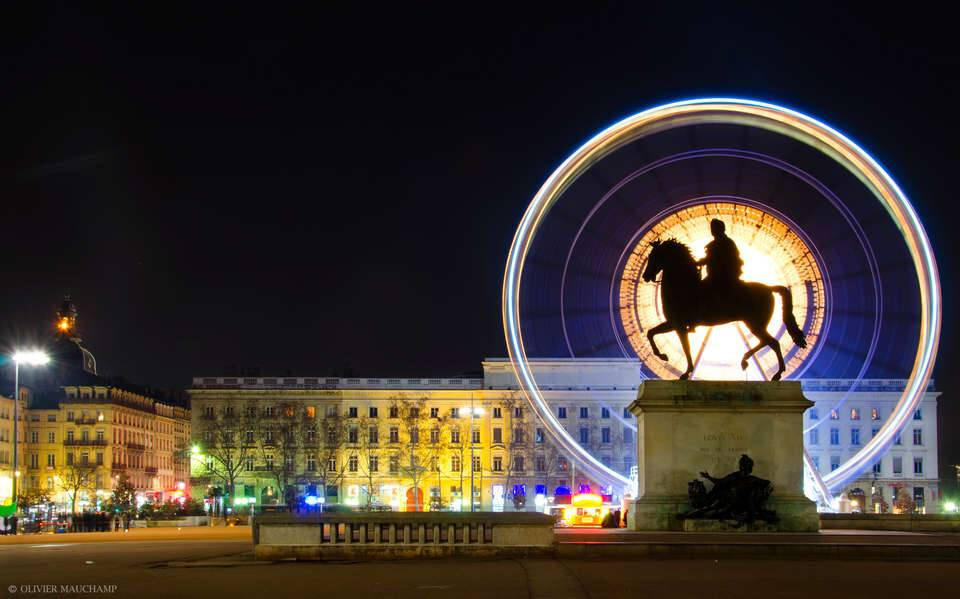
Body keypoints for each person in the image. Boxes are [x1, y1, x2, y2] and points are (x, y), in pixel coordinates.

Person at [696, 219, 743, 290]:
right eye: (712, 228)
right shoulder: (713, 244)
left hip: (724, 276)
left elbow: (717, 258)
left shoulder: (727, 242)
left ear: (721, 229)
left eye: (714, 228)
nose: (712, 230)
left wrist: (703, 261)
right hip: (715, 275)